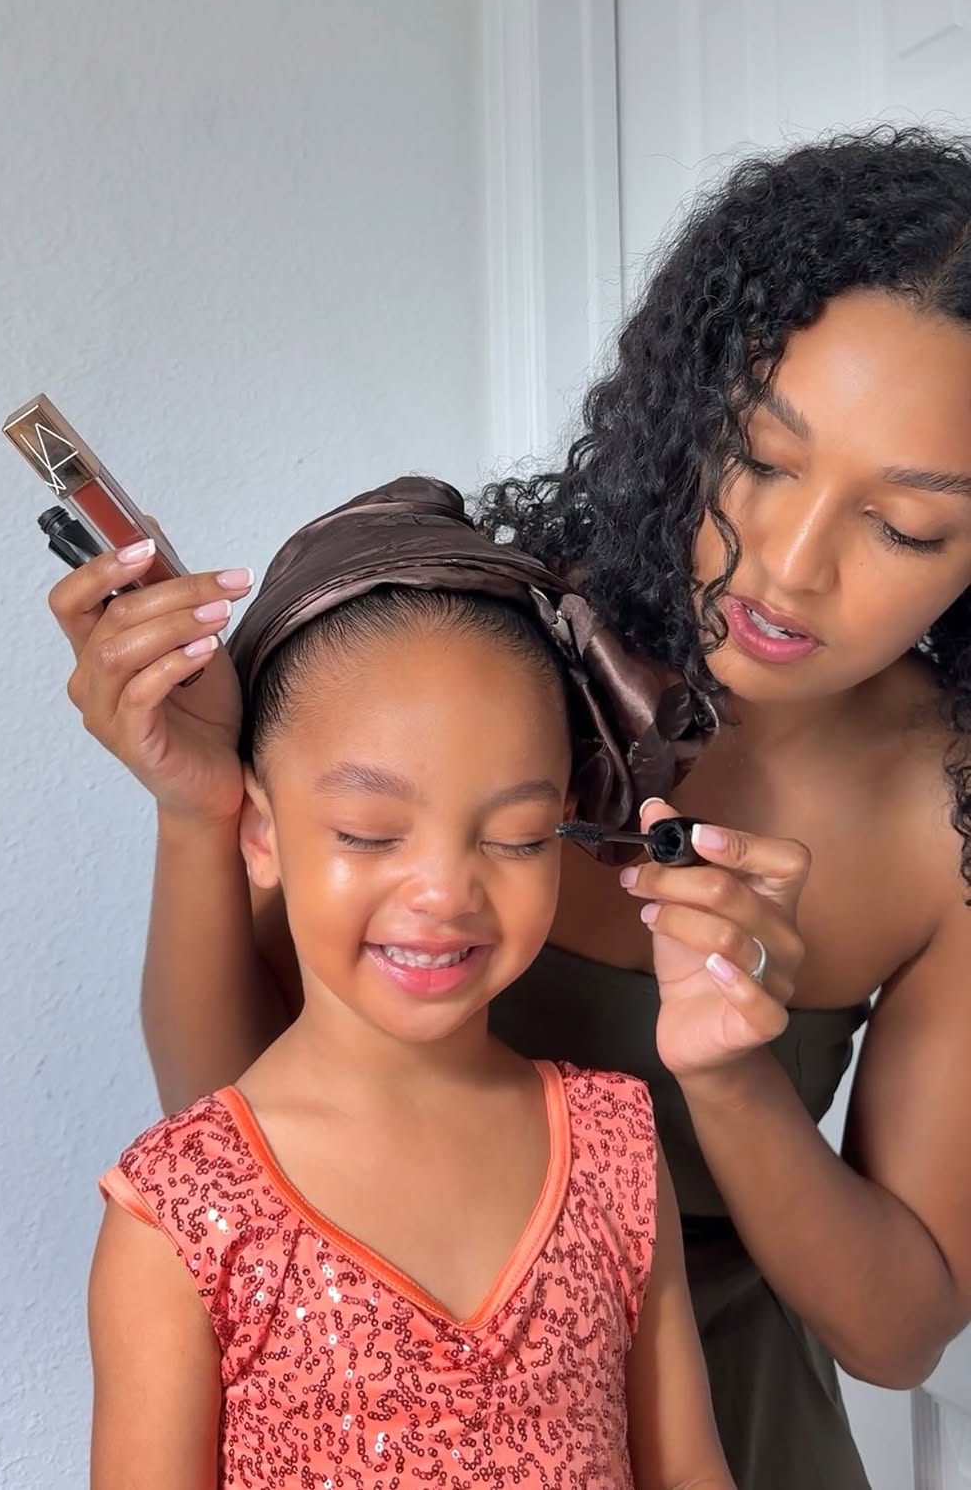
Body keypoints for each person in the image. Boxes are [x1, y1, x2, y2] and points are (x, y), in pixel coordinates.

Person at [55, 127, 971, 1490]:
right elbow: (237, 1149)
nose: (789, 566)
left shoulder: (948, 815)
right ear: (689, 403)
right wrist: (198, 814)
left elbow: (899, 1333)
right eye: (761, 457)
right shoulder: (481, 648)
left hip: (743, 1427)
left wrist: (731, 1079)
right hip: (379, 1416)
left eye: (904, 526)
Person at [87, 479, 733, 1490]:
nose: (445, 892)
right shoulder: (181, 1208)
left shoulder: (615, 1147)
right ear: (260, 831)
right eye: (370, 833)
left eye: (515, 837)